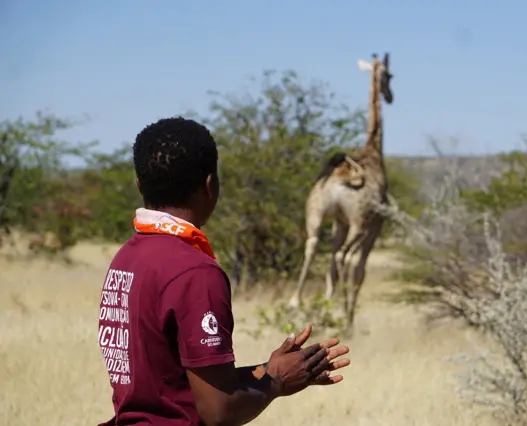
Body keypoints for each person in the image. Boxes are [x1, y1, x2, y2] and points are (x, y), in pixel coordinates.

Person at [97, 117, 350, 426]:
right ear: (209, 185)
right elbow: (218, 410)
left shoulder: (127, 258)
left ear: (140, 186)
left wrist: (267, 369)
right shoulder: (195, 272)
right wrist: (278, 382)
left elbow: (187, 383)